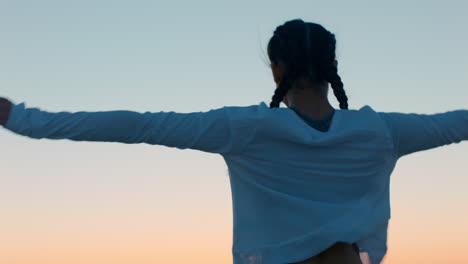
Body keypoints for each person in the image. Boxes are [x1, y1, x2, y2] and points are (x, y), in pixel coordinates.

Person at [0, 18, 467, 264]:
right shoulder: (380, 131)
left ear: (275, 70)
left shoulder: (245, 128)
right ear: (332, 66)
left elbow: (137, 125)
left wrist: (21, 118)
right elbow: (458, 122)